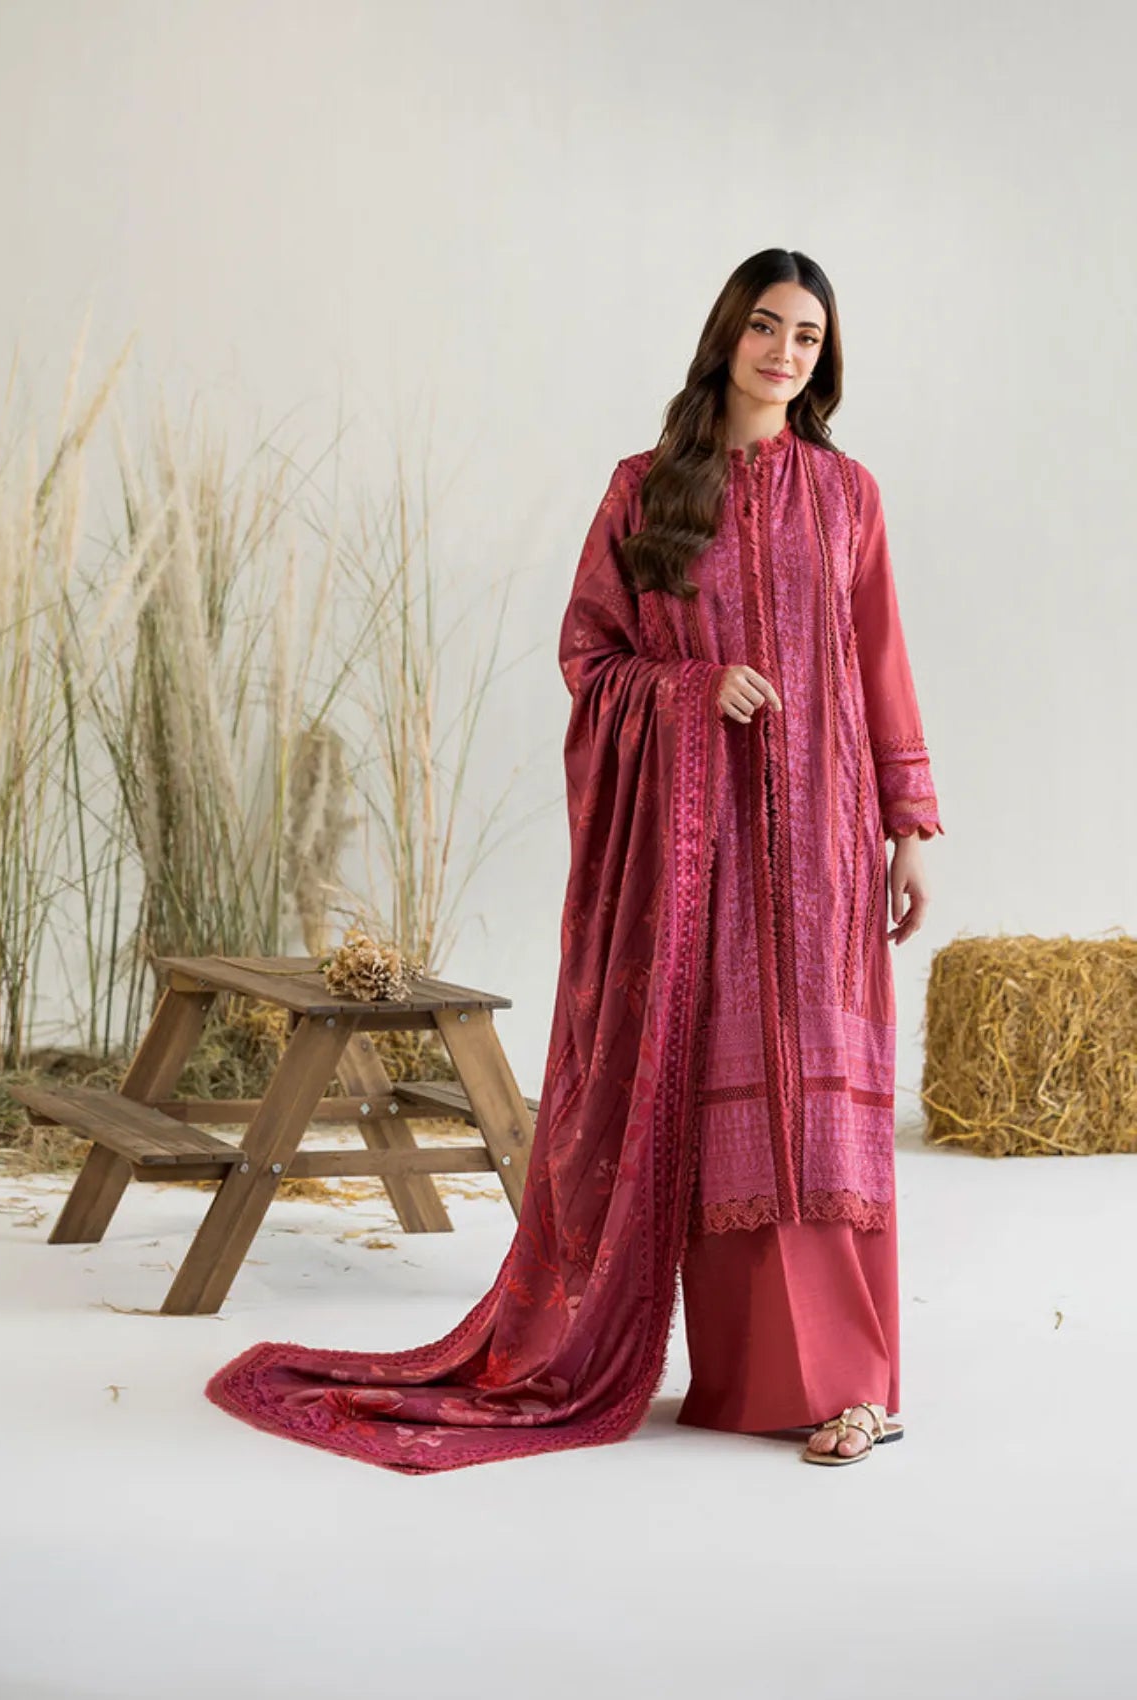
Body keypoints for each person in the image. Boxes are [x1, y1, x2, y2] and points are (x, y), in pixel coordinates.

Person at [205, 247, 942, 1473]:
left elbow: (880, 663)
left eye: (808, 336)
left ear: (825, 360)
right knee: (731, 1106)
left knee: (821, 1111)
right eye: (766, 326)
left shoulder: (848, 494)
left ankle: (857, 1386)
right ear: (727, 335)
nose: (784, 352)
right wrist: (694, 687)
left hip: (822, 845)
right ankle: (762, 1382)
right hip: (699, 855)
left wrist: (908, 828)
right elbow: (590, 657)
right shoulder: (647, 490)